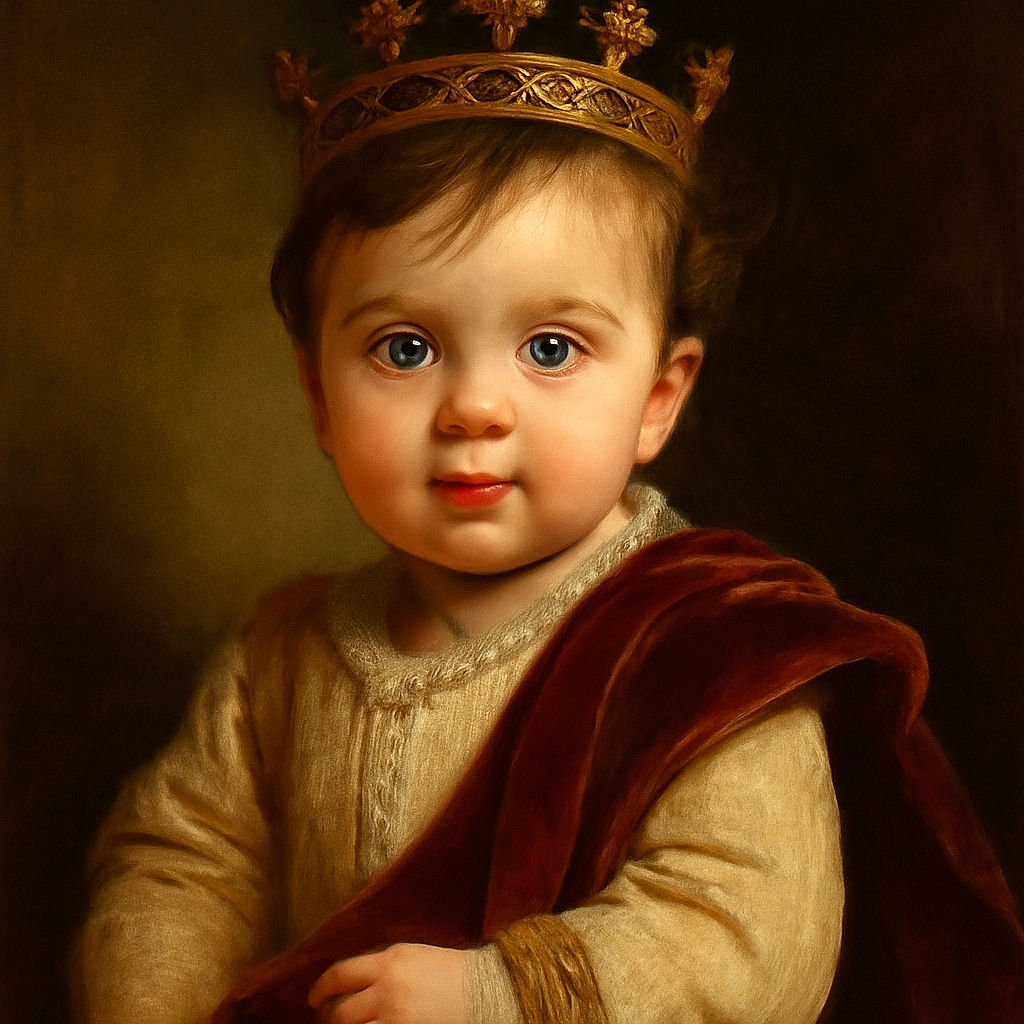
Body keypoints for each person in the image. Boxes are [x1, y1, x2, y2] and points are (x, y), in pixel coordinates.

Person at [71, 4, 1023, 1024]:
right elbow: (182, 867)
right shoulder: (280, 658)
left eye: (551, 349)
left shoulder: (713, 651)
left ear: (659, 397)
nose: (475, 409)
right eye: (403, 348)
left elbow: (746, 927)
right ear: (316, 395)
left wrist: (497, 993)